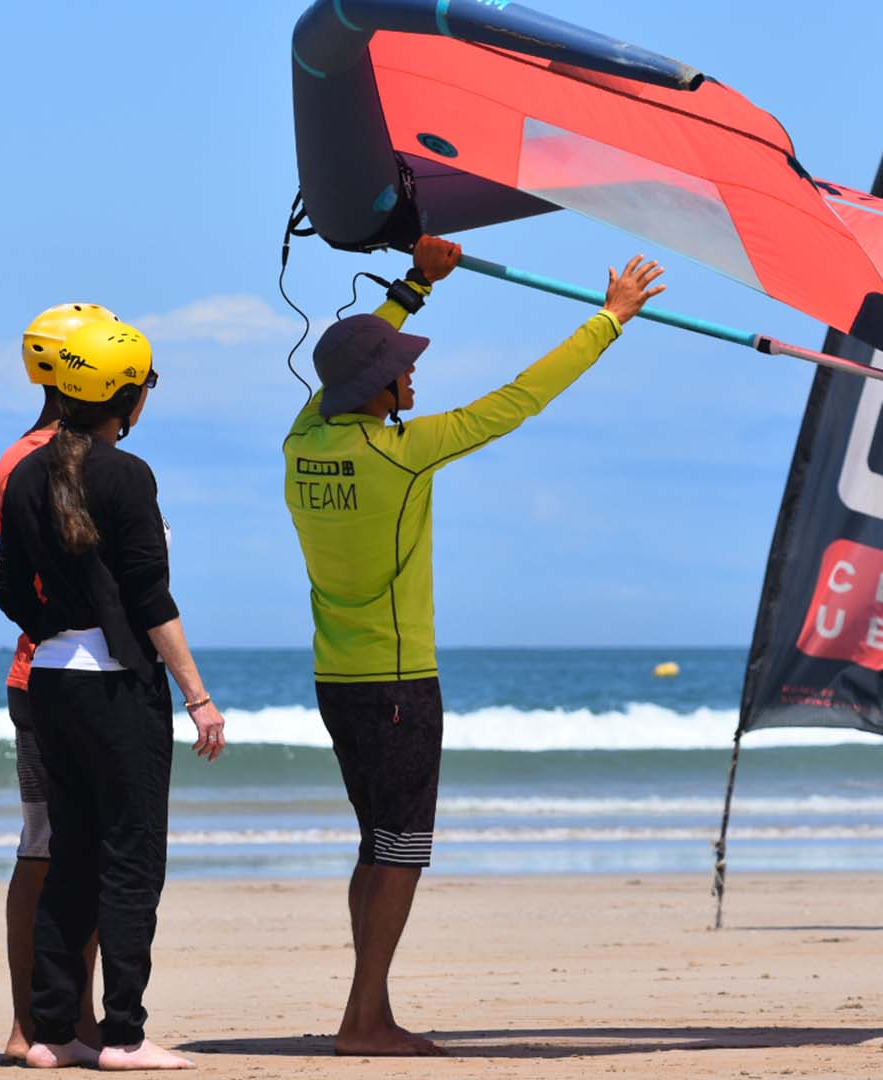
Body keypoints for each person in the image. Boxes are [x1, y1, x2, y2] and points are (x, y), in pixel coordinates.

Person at [282, 238, 665, 1056]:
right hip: (396, 684)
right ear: (375, 387)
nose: (412, 377)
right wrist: (611, 320)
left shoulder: (304, 442)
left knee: (376, 845)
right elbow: (520, 399)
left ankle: (367, 1011)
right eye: (401, 368)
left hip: (335, 679)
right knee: (402, 852)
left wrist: (416, 284)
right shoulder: (403, 454)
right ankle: (364, 1021)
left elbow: (344, 368)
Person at [0, 318, 227, 1071]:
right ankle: (124, 1035)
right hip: (119, 691)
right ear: (123, 396)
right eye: (145, 386)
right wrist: (198, 697)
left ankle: (53, 1034)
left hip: (52, 683)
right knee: (132, 862)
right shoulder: (127, 475)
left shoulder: (28, 473)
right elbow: (151, 600)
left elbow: (5, 592)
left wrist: (58, 624)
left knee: (70, 860)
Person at [0, 302, 119, 1062]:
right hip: (56, 675)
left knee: (77, 849)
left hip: (63, 672)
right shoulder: (38, 459)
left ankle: (68, 1018)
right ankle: (41, 1020)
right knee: (50, 848)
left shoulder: (47, 453)